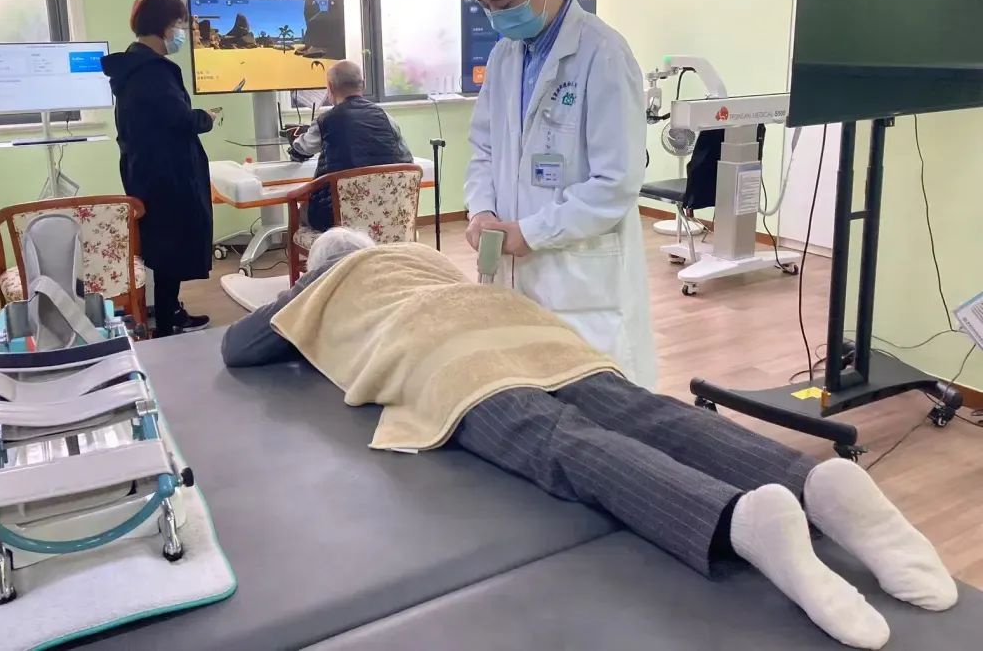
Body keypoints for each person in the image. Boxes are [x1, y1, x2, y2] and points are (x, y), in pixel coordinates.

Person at [222, 232, 956, 651]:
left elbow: (240, 347)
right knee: (648, 413)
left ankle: (740, 521)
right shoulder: (417, 255)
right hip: (518, 323)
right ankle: (814, 482)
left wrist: (304, 288)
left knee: (560, 442)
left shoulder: (334, 279)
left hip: (441, 355)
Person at [459, 0, 656, 390]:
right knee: (527, 393)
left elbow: (616, 183)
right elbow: (484, 147)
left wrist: (533, 232)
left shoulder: (603, 54)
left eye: (503, 3)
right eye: (484, 5)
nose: (494, 17)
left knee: (596, 403)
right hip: (514, 269)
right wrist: (481, 210)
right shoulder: (506, 55)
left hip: (580, 279)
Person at [102, 0, 217, 338]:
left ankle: (170, 311)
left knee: (166, 245)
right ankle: (166, 326)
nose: (182, 32)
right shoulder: (153, 72)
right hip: (166, 176)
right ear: (165, 26)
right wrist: (206, 118)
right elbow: (179, 119)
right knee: (170, 247)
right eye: (180, 24)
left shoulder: (133, 66)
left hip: (148, 170)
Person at [288, 61, 413, 232]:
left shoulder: (326, 120)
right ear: (364, 84)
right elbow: (407, 160)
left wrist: (294, 145)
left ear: (330, 88)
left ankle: (325, 250)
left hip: (335, 215)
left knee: (301, 211)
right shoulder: (386, 117)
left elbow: (301, 150)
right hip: (384, 212)